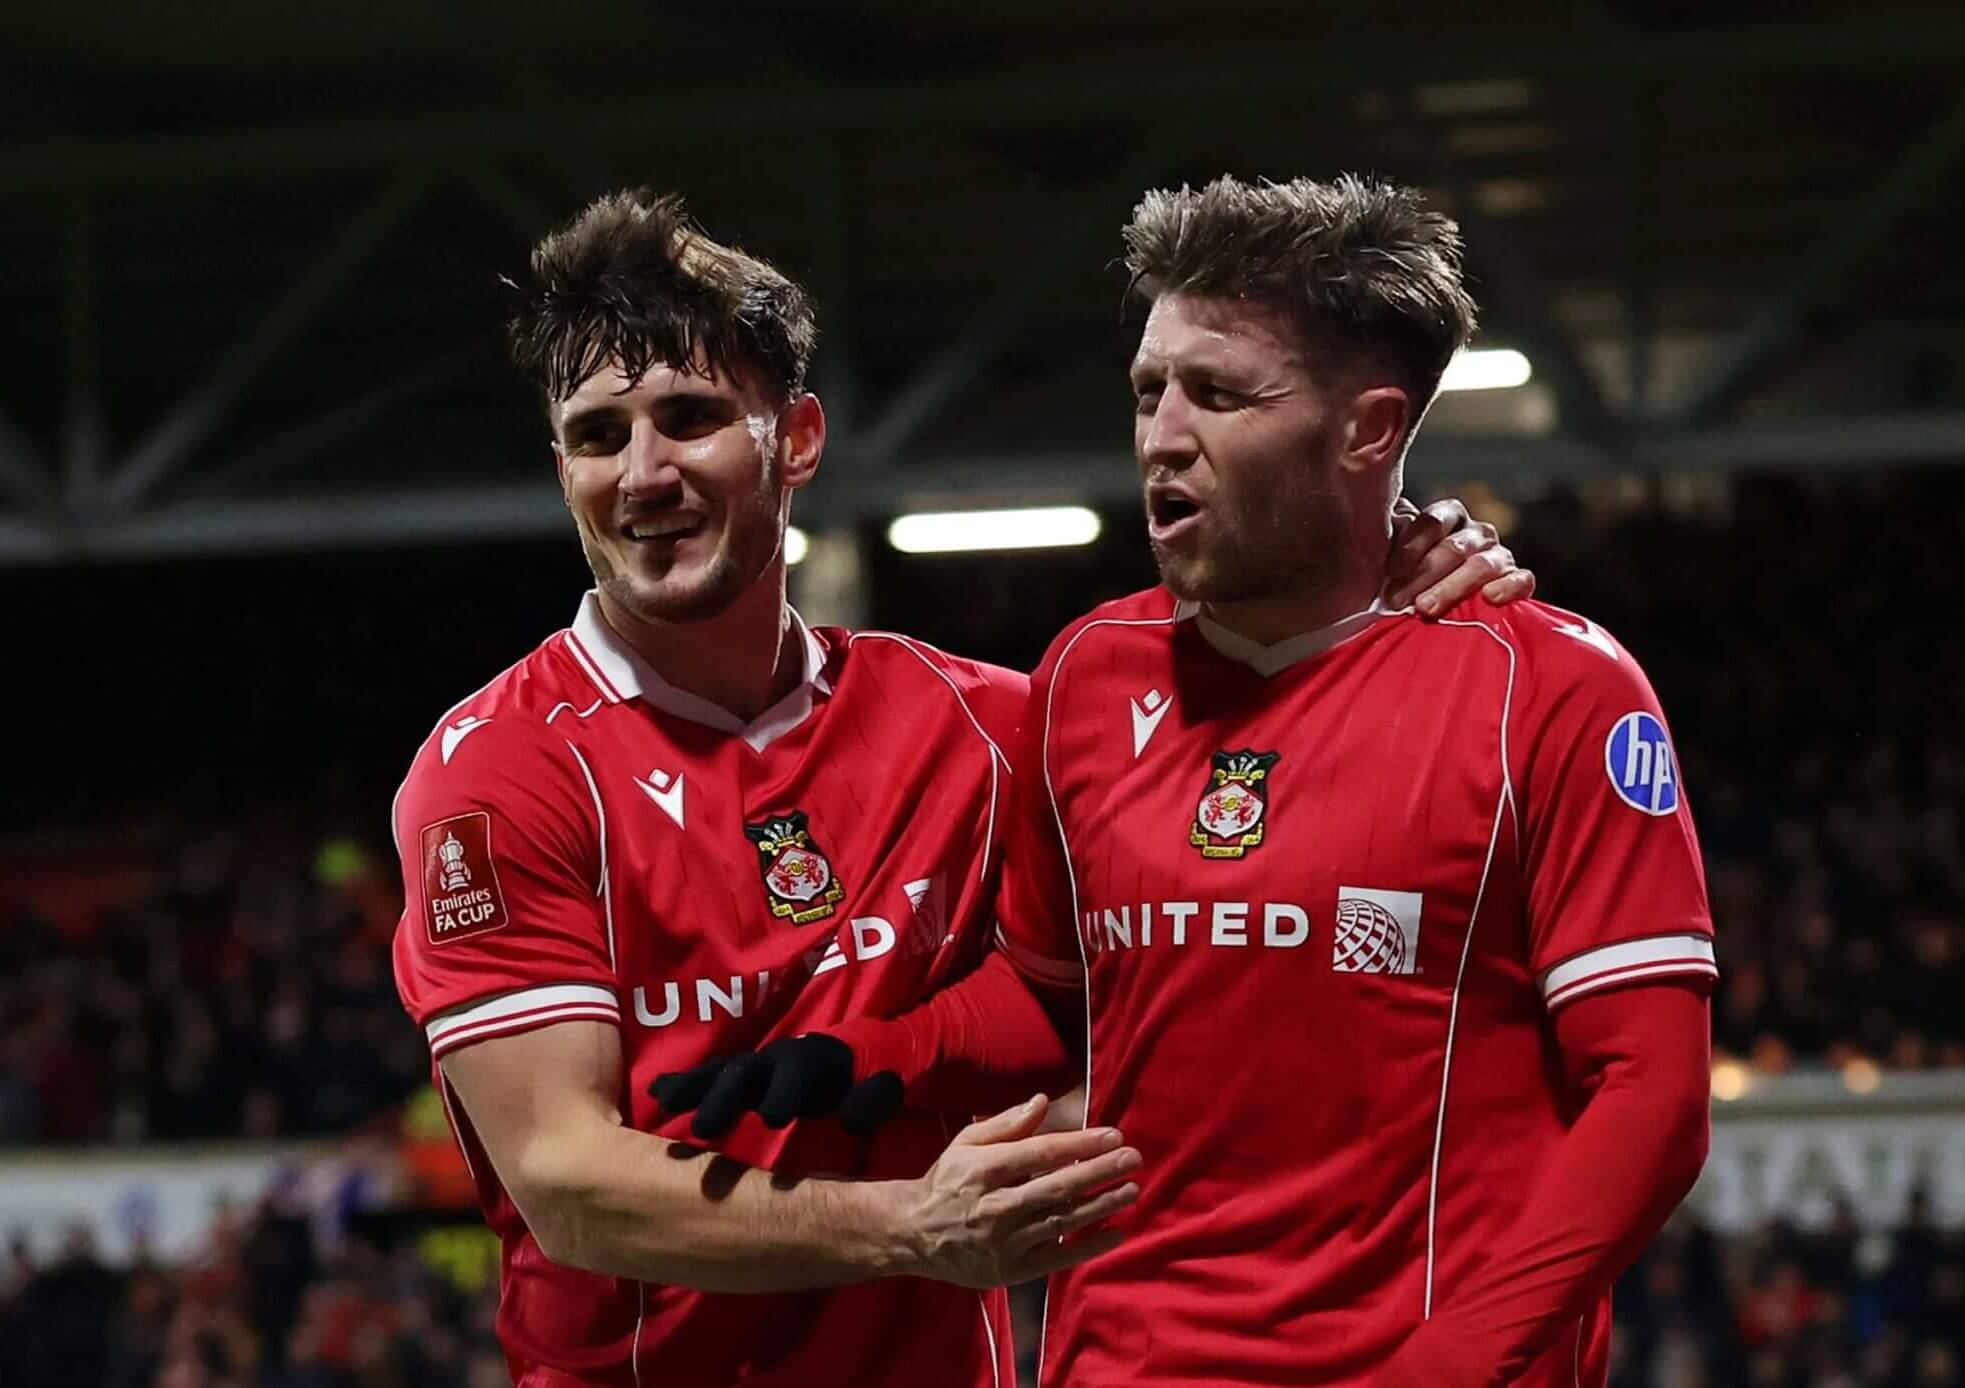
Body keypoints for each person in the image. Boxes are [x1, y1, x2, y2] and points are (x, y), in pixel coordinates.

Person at [388, 188, 1531, 1386]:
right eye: (596, 436)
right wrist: (912, 1224)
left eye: (689, 417)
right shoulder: (499, 773)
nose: (643, 473)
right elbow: (566, 1180)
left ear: (797, 439)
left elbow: (1256, 758)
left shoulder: (981, 724)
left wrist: (1389, 552)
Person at [681, 175, 1717, 1388]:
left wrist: (1450, 1365)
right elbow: (1051, 995)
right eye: (1148, 390)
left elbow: (1650, 1097)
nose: (1161, 436)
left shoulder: (1551, 689)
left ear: (1368, 430)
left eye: (1217, 394)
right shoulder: (1083, 674)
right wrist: (874, 1053)